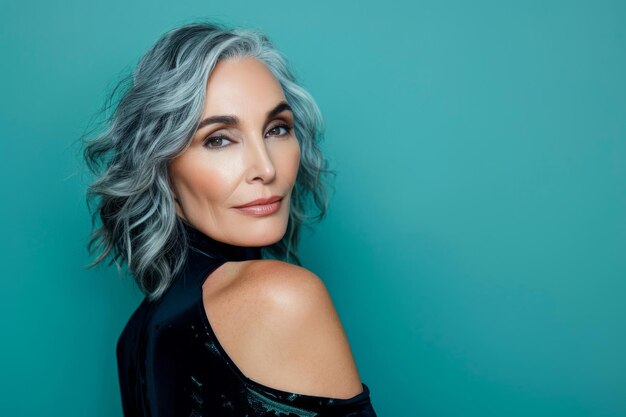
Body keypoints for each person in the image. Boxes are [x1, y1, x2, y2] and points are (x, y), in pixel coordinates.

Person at [83, 21, 378, 416]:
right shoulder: (281, 297)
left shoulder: (135, 337)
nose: (265, 168)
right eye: (218, 139)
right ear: (162, 168)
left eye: (277, 129)